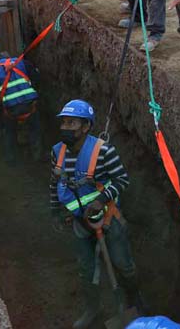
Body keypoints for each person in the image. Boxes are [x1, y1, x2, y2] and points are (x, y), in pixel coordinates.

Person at [50, 99, 142, 329]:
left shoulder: (104, 152)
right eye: (64, 123)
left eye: (72, 123)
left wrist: (101, 200)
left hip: (108, 219)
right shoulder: (57, 152)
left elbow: (122, 180)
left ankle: (136, 303)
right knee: (86, 269)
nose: (66, 127)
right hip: (80, 222)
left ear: (86, 127)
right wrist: (55, 211)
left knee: (123, 264)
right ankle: (93, 309)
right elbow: (54, 183)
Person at [0, 42, 42, 164]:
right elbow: (36, 78)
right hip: (30, 106)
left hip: (11, 111)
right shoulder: (22, 63)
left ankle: (11, 159)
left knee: (9, 132)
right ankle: (38, 155)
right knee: (35, 129)